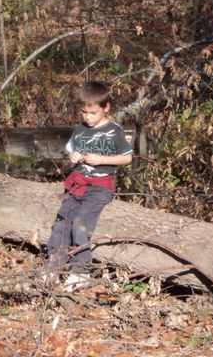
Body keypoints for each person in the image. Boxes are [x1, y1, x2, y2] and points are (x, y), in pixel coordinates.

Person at [44, 81, 133, 292]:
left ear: (106, 107)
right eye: (84, 112)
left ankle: (81, 272)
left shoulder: (114, 131)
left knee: (80, 224)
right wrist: (73, 156)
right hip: (77, 184)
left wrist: (102, 159)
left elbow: (127, 158)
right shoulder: (79, 129)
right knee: (61, 224)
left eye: (93, 113)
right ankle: (53, 267)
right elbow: (70, 150)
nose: (88, 117)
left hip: (100, 187)